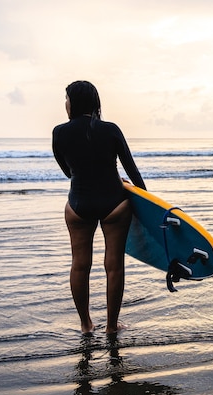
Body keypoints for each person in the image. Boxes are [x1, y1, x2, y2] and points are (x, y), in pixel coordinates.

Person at [52, 80, 146, 335]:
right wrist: (146, 202)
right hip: (114, 204)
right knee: (114, 265)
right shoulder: (111, 129)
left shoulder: (59, 132)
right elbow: (131, 169)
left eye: (67, 98)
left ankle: (85, 325)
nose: (65, 103)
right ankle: (112, 326)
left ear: (73, 102)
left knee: (79, 265)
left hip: (78, 205)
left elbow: (68, 171)